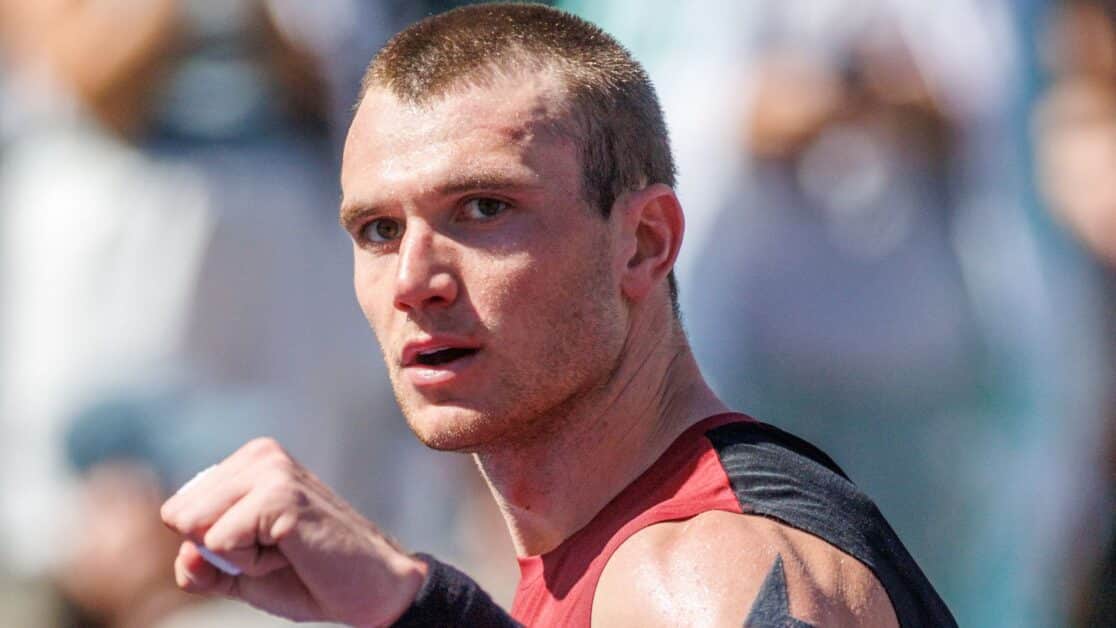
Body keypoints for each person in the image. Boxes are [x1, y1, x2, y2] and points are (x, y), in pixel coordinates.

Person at [161, 4, 956, 626]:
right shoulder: (623, 550)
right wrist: (410, 605)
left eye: (483, 208)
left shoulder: (701, 572)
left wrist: (415, 606)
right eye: (378, 230)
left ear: (644, 243)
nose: (413, 281)